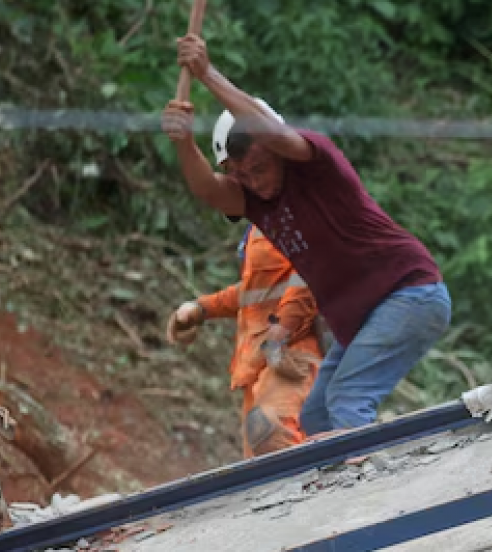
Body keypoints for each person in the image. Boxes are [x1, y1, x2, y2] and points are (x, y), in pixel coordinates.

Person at [162, 39, 450, 434]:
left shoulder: (317, 165)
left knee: (347, 400)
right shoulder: (258, 203)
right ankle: (336, 488)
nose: (254, 183)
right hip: (364, 320)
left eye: (259, 168)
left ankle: (370, 491)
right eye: (241, 175)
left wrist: (207, 74)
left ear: (275, 150)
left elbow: (273, 135)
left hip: (408, 294)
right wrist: (183, 144)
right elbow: (208, 190)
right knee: (316, 418)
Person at [166, 200, 320, 458]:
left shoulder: (298, 218)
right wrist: (203, 308)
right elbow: (257, 293)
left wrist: (279, 337)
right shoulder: (262, 227)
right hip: (262, 361)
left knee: (274, 434)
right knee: (262, 458)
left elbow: (312, 278)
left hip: (291, 357)